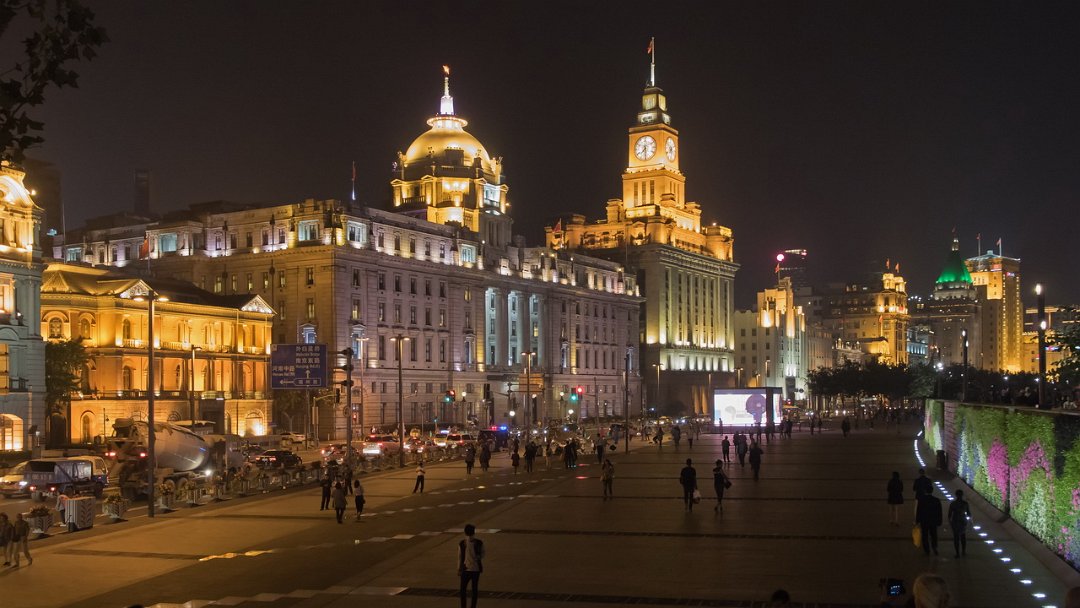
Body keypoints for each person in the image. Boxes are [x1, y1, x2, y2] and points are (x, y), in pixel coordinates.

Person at [458, 523, 485, 608]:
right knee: (474, 590)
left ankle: (464, 606)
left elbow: (459, 557)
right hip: (475, 570)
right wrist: (479, 557)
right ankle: (473, 606)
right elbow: (483, 553)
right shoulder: (479, 543)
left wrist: (459, 568)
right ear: (474, 532)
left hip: (466, 569)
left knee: (463, 590)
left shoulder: (462, 543)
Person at [915, 487, 942, 556]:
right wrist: (939, 520)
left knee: (925, 535)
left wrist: (917, 520)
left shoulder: (921, 500)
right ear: (932, 491)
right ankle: (934, 546)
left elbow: (919, 511)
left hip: (924, 521)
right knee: (934, 535)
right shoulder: (936, 500)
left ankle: (927, 550)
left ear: (925, 491)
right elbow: (939, 512)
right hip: (933, 520)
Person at [947, 490, 971, 557]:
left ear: (956, 495)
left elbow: (949, 514)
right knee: (963, 536)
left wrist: (950, 522)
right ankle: (963, 551)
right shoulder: (965, 503)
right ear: (962, 495)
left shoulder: (953, 504)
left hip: (955, 521)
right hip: (963, 521)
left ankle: (957, 553)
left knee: (956, 537)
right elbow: (969, 513)